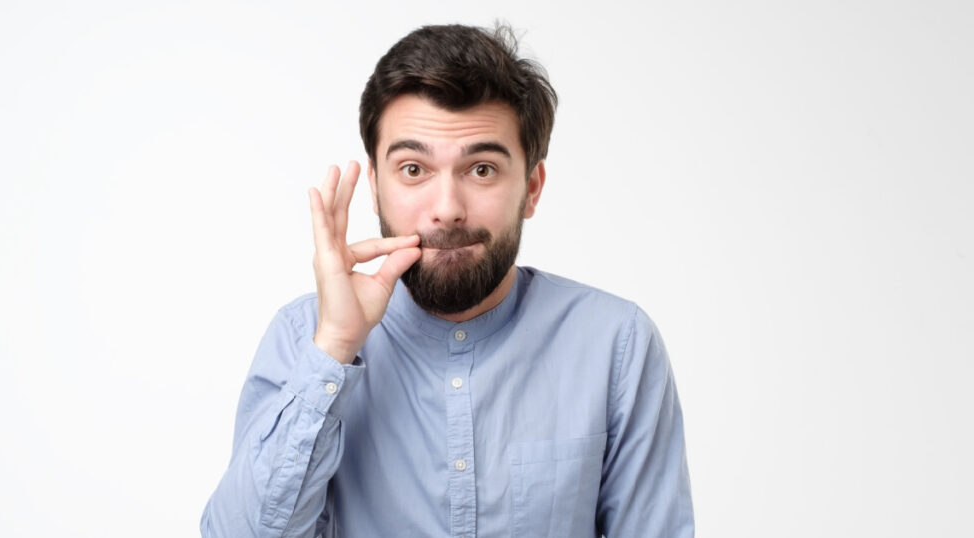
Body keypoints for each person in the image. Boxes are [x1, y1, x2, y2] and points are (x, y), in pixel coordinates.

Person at [201, 23, 694, 538]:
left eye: (481, 170)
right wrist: (335, 350)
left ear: (531, 188)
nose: (447, 210)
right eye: (414, 169)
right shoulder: (304, 336)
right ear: (375, 187)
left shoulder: (617, 344)